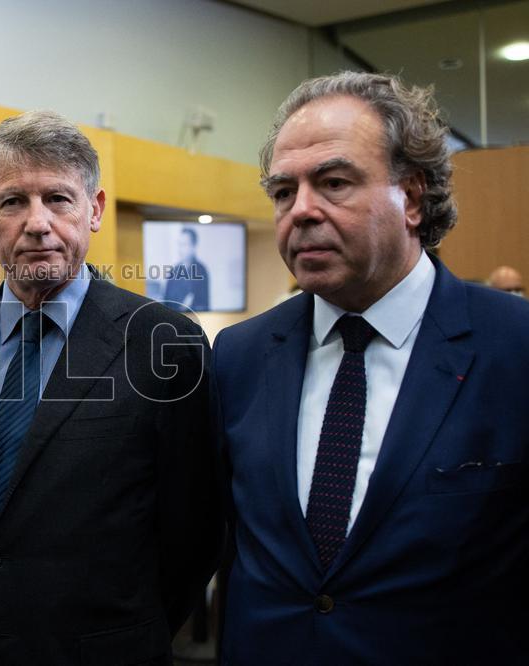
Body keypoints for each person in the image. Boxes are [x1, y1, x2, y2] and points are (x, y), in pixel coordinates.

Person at [214, 71, 529, 664]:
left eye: (333, 183)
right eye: (283, 192)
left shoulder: (514, 347)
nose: (300, 210)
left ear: (411, 197)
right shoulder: (239, 358)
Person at [0, 110, 223, 665]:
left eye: (58, 199)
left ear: (93, 210)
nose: (37, 223)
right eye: (12, 202)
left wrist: (124, 636)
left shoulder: (165, 343)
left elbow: (194, 532)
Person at [163, 226, 210, 311]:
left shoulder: (201, 270)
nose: (180, 249)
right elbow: (166, 302)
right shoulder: (173, 271)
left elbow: (204, 304)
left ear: (193, 246)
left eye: (184, 244)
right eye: (179, 244)